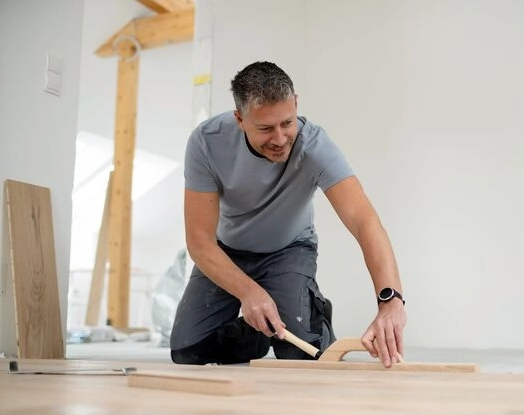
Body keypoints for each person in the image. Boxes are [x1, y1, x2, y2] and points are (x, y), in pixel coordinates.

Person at [169, 61, 406, 368]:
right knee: (189, 351)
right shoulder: (206, 143)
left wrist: (390, 301)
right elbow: (200, 241)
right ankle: (262, 331)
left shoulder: (316, 146)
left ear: (296, 103)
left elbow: (365, 221)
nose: (280, 139)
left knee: (302, 355)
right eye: (265, 128)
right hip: (227, 252)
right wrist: (248, 292)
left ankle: (307, 315)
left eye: (287, 123)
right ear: (240, 119)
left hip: (289, 251)